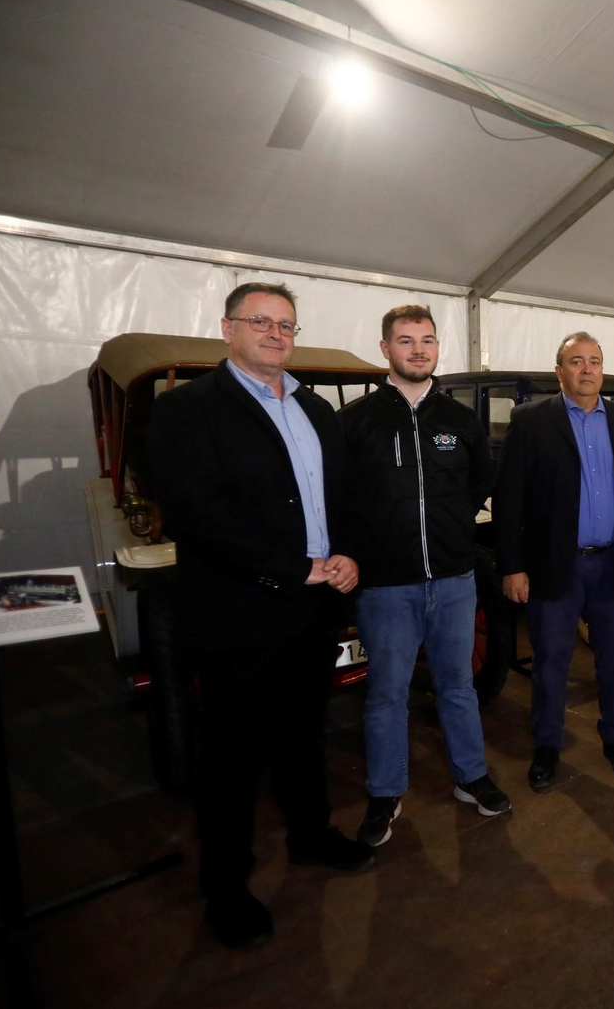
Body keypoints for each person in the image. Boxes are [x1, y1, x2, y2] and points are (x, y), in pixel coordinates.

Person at [146, 282, 371, 950]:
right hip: (240, 612)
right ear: (228, 328)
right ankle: (226, 887)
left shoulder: (316, 410)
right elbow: (196, 515)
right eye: (261, 322)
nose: (276, 334)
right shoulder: (188, 410)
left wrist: (347, 553)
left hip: (314, 607)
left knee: (305, 732)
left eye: (286, 325)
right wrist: (291, 567)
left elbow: (342, 498)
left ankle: (310, 835)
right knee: (231, 757)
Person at [339, 304, 508, 849]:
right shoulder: (356, 422)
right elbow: (338, 499)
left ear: (438, 347)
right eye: (406, 340)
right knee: (387, 694)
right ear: (385, 348)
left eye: (427, 340)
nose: (418, 350)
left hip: (455, 582)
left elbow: (479, 484)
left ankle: (470, 775)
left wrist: (451, 531)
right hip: (386, 587)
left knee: (458, 686)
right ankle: (386, 791)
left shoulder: (460, 421)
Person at [493, 332, 614, 790]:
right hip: (553, 564)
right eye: (577, 361)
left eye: (594, 361)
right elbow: (509, 500)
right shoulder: (530, 421)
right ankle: (547, 744)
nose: (587, 369)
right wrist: (512, 566)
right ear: (559, 371)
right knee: (550, 661)